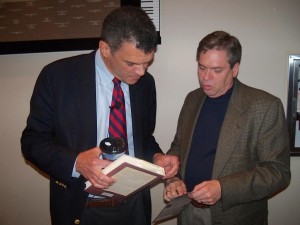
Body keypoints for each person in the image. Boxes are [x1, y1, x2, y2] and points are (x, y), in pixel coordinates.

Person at [21, 6, 178, 225]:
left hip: (134, 206)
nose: (141, 72)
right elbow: (32, 142)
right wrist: (76, 163)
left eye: (147, 63)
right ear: (105, 49)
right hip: (82, 207)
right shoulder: (57, 77)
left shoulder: (145, 84)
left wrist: (157, 157)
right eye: (131, 63)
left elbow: (143, 137)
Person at [163, 31, 291, 225]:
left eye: (216, 70)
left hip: (235, 216)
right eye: (202, 67)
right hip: (187, 211)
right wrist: (173, 179)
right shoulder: (192, 99)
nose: (206, 77)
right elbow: (177, 148)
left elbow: (278, 172)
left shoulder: (265, 106)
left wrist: (223, 188)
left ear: (235, 69)